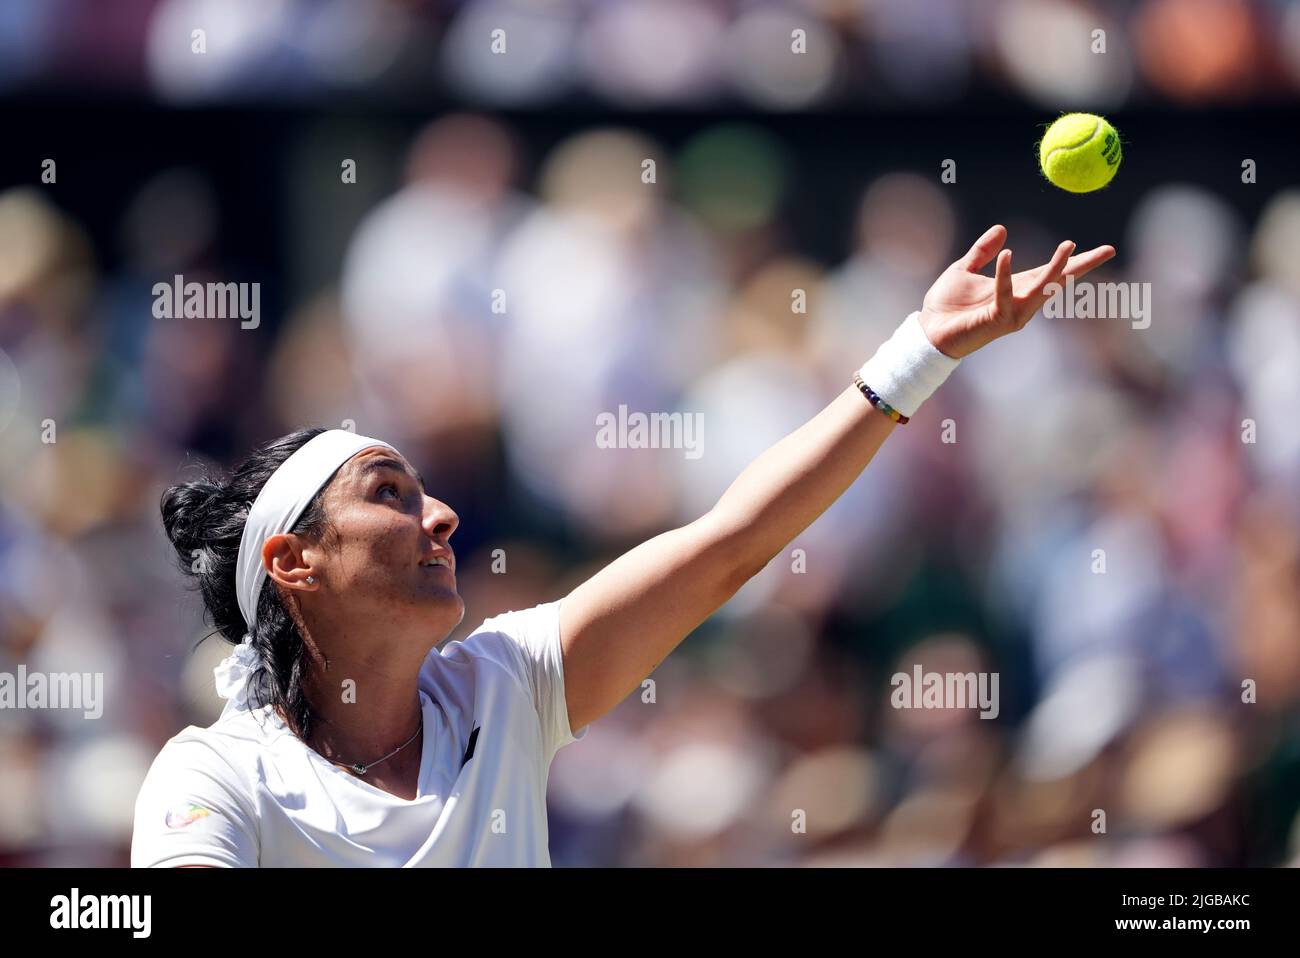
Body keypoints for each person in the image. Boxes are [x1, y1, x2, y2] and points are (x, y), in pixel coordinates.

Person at [131, 226, 1115, 866]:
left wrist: (920, 352)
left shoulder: (503, 684)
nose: (440, 518)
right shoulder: (211, 777)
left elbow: (734, 540)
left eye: (427, 490)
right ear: (293, 564)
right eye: (389, 495)